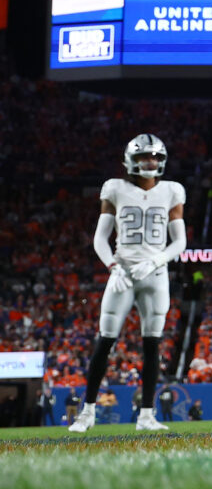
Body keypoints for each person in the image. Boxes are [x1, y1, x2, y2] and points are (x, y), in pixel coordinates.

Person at [69, 135, 187, 434]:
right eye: (146, 157)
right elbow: (100, 237)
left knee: (152, 344)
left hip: (155, 275)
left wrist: (157, 260)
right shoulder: (115, 187)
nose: (152, 162)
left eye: (156, 157)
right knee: (105, 340)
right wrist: (112, 265)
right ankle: (87, 412)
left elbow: (181, 242)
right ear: (131, 159)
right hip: (122, 273)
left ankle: (147, 415)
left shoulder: (172, 191)